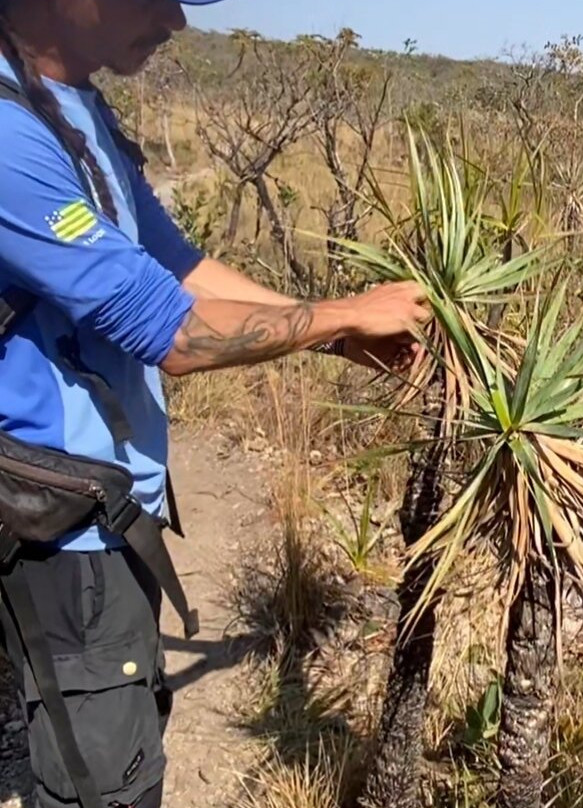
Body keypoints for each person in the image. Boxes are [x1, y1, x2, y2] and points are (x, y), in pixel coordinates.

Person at [0, 1, 431, 807]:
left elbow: (179, 270)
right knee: (105, 783)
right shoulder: (7, 135)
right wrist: (343, 312)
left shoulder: (73, 103)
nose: (174, 21)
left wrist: (338, 336)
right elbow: (167, 330)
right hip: (65, 530)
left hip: (110, 505)